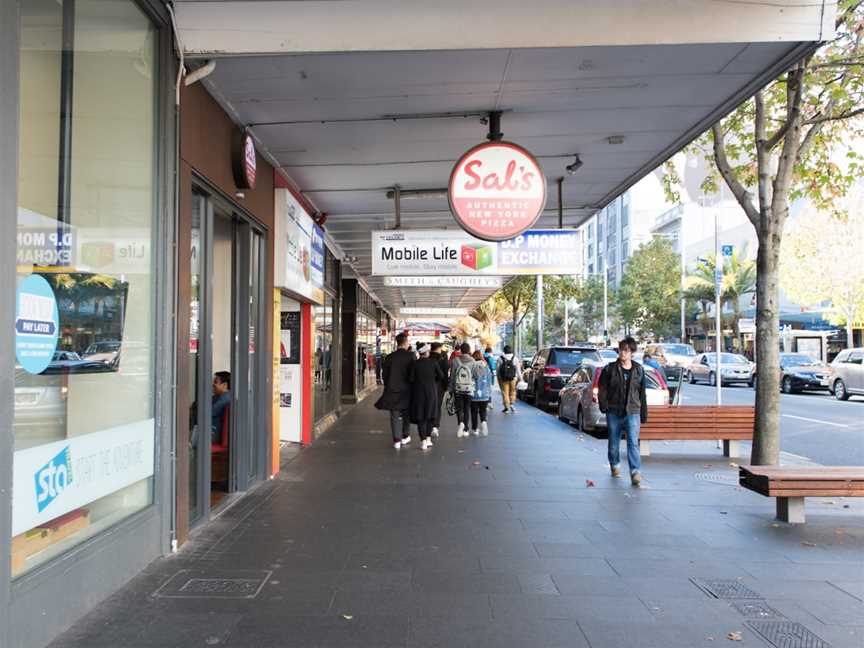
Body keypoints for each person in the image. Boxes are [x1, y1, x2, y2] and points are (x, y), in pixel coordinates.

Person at [598, 337, 648, 486]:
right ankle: (614, 465)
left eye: (626, 350)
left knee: (633, 442)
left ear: (632, 352)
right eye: (621, 350)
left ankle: (635, 472)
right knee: (614, 442)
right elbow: (602, 389)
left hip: (633, 412)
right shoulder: (610, 369)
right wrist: (604, 406)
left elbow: (642, 393)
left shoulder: (639, 370)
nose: (623, 353)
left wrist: (643, 413)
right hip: (614, 411)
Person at [375, 332, 415, 449]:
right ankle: (405, 436)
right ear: (405, 342)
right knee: (406, 413)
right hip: (407, 389)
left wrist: (388, 385)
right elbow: (413, 374)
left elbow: (385, 374)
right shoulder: (410, 356)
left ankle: (396, 440)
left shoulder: (389, 357)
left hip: (392, 389)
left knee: (394, 414)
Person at [410, 342, 445, 450]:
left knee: (421, 417)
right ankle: (428, 438)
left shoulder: (415, 364)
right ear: (426, 352)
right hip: (431, 392)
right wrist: (433, 380)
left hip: (418, 393)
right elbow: (441, 376)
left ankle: (423, 440)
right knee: (430, 416)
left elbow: (410, 379)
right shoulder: (433, 363)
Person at [449, 342, 475, 438]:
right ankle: (466, 429)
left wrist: (450, 389)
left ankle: (460, 423)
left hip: (458, 388)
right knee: (466, 408)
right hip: (469, 389)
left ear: (461, 350)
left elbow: (452, 376)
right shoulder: (473, 360)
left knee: (459, 408)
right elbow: (475, 376)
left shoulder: (455, 360)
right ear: (468, 350)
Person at [470, 350, 492, 436]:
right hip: (485, 393)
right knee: (483, 411)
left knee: (474, 412)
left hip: (474, 394)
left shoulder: (472, 366)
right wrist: (489, 393)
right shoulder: (486, 366)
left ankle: (475, 429)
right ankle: (484, 422)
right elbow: (489, 381)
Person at [429, 342, 449, 437]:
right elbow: (445, 374)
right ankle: (435, 427)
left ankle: (429, 425)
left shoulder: (427, 358)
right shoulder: (442, 359)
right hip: (440, 386)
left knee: (429, 405)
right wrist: (446, 386)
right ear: (438, 348)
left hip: (428, 386)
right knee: (437, 406)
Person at [497, 345, 519, 413]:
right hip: (513, 378)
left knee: (505, 392)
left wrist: (498, 378)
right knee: (513, 391)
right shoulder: (515, 358)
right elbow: (518, 370)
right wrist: (520, 378)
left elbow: (498, 370)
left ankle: (506, 407)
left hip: (503, 378)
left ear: (504, 351)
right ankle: (512, 404)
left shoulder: (500, 358)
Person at [211, 371, 231, 443]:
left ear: (225, 385)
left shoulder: (225, 399)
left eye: (216, 382)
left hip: (214, 434)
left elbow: (210, 412)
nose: (213, 384)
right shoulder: (220, 397)